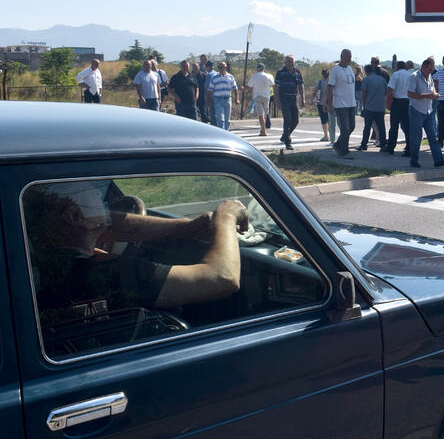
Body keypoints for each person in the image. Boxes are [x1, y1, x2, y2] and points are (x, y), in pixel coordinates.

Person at [24, 180, 248, 320]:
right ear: (74, 216)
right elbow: (222, 278)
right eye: (91, 188)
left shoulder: (37, 259)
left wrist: (184, 227)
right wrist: (226, 217)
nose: (100, 194)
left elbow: (114, 224)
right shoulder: (106, 275)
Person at [408, 58, 444, 169]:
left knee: (433, 136)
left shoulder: (430, 76)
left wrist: (435, 93)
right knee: (416, 137)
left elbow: (432, 90)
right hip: (416, 110)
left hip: (429, 110)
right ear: (423, 66)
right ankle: (414, 160)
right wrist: (427, 96)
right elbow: (410, 94)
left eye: (432, 70)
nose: (431, 72)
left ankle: (438, 160)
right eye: (429, 69)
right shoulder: (414, 77)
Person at [326, 49, 357, 158]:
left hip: (351, 103)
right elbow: (330, 88)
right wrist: (330, 105)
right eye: (347, 56)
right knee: (345, 128)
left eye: (350, 56)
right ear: (341, 57)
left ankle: (338, 144)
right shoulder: (335, 70)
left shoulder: (350, 68)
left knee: (351, 127)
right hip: (340, 104)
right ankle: (344, 150)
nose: (349, 59)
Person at [274, 55, 304, 150]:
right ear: (285, 63)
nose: (291, 64)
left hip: (294, 98)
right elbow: (276, 87)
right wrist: (277, 101)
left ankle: (285, 136)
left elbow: (300, 85)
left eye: (292, 62)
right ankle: (288, 142)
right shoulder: (280, 72)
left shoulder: (297, 72)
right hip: (284, 98)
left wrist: (303, 98)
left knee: (295, 120)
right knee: (287, 120)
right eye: (289, 62)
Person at [385, 60, 412, 156]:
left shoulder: (396, 74)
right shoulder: (410, 75)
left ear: (397, 67)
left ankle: (391, 147)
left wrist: (387, 102)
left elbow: (390, 89)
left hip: (397, 101)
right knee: (407, 126)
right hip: (407, 102)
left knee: (394, 126)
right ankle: (409, 148)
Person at [360, 64, 388, 151]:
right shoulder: (382, 80)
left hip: (370, 107)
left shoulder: (366, 80)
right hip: (380, 107)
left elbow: (363, 94)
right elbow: (386, 93)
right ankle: (383, 145)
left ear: (366, 71)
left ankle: (364, 145)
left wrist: (364, 106)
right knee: (381, 127)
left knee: (367, 127)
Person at [207, 61, 238, 130]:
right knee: (220, 119)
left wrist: (237, 99)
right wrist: (208, 101)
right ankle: (221, 132)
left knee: (227, 119)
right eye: (219, 67)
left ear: (225, 68)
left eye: (221, 67)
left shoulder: (230, 77)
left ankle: (226, 132)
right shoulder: (214, 77)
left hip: (228, 99)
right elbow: (210, 90)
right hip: (218, 99)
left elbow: (235, 88)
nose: (220, 69)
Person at [247, 63, 275, 137]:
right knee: (265, 114)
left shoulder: (254, 76)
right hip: (267, 97)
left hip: (257, 96)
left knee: (260, 115)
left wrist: (242, 88)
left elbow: (249, 86)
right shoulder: (269, 76)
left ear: (257, 68)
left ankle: (263, 131)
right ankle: (263, 129)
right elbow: (273, 84)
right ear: (263, 68)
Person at [314, 69, 331, 142]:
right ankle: (331, 135)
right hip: (330, 103)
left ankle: (326, 136)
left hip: (321, 103)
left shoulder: (320, 82)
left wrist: (311, 100)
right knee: (330, 120)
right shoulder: (331, 82)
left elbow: (315, 91)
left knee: (324, 120)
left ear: (322, 75)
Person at [202, 60, 218, 125]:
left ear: (207, 67)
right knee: (217, 113)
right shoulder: (217, 73)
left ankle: (214, 126)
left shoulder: (209, 75)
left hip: (211, 96)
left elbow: (207, 87)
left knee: (212, 113)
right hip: (218, 96)